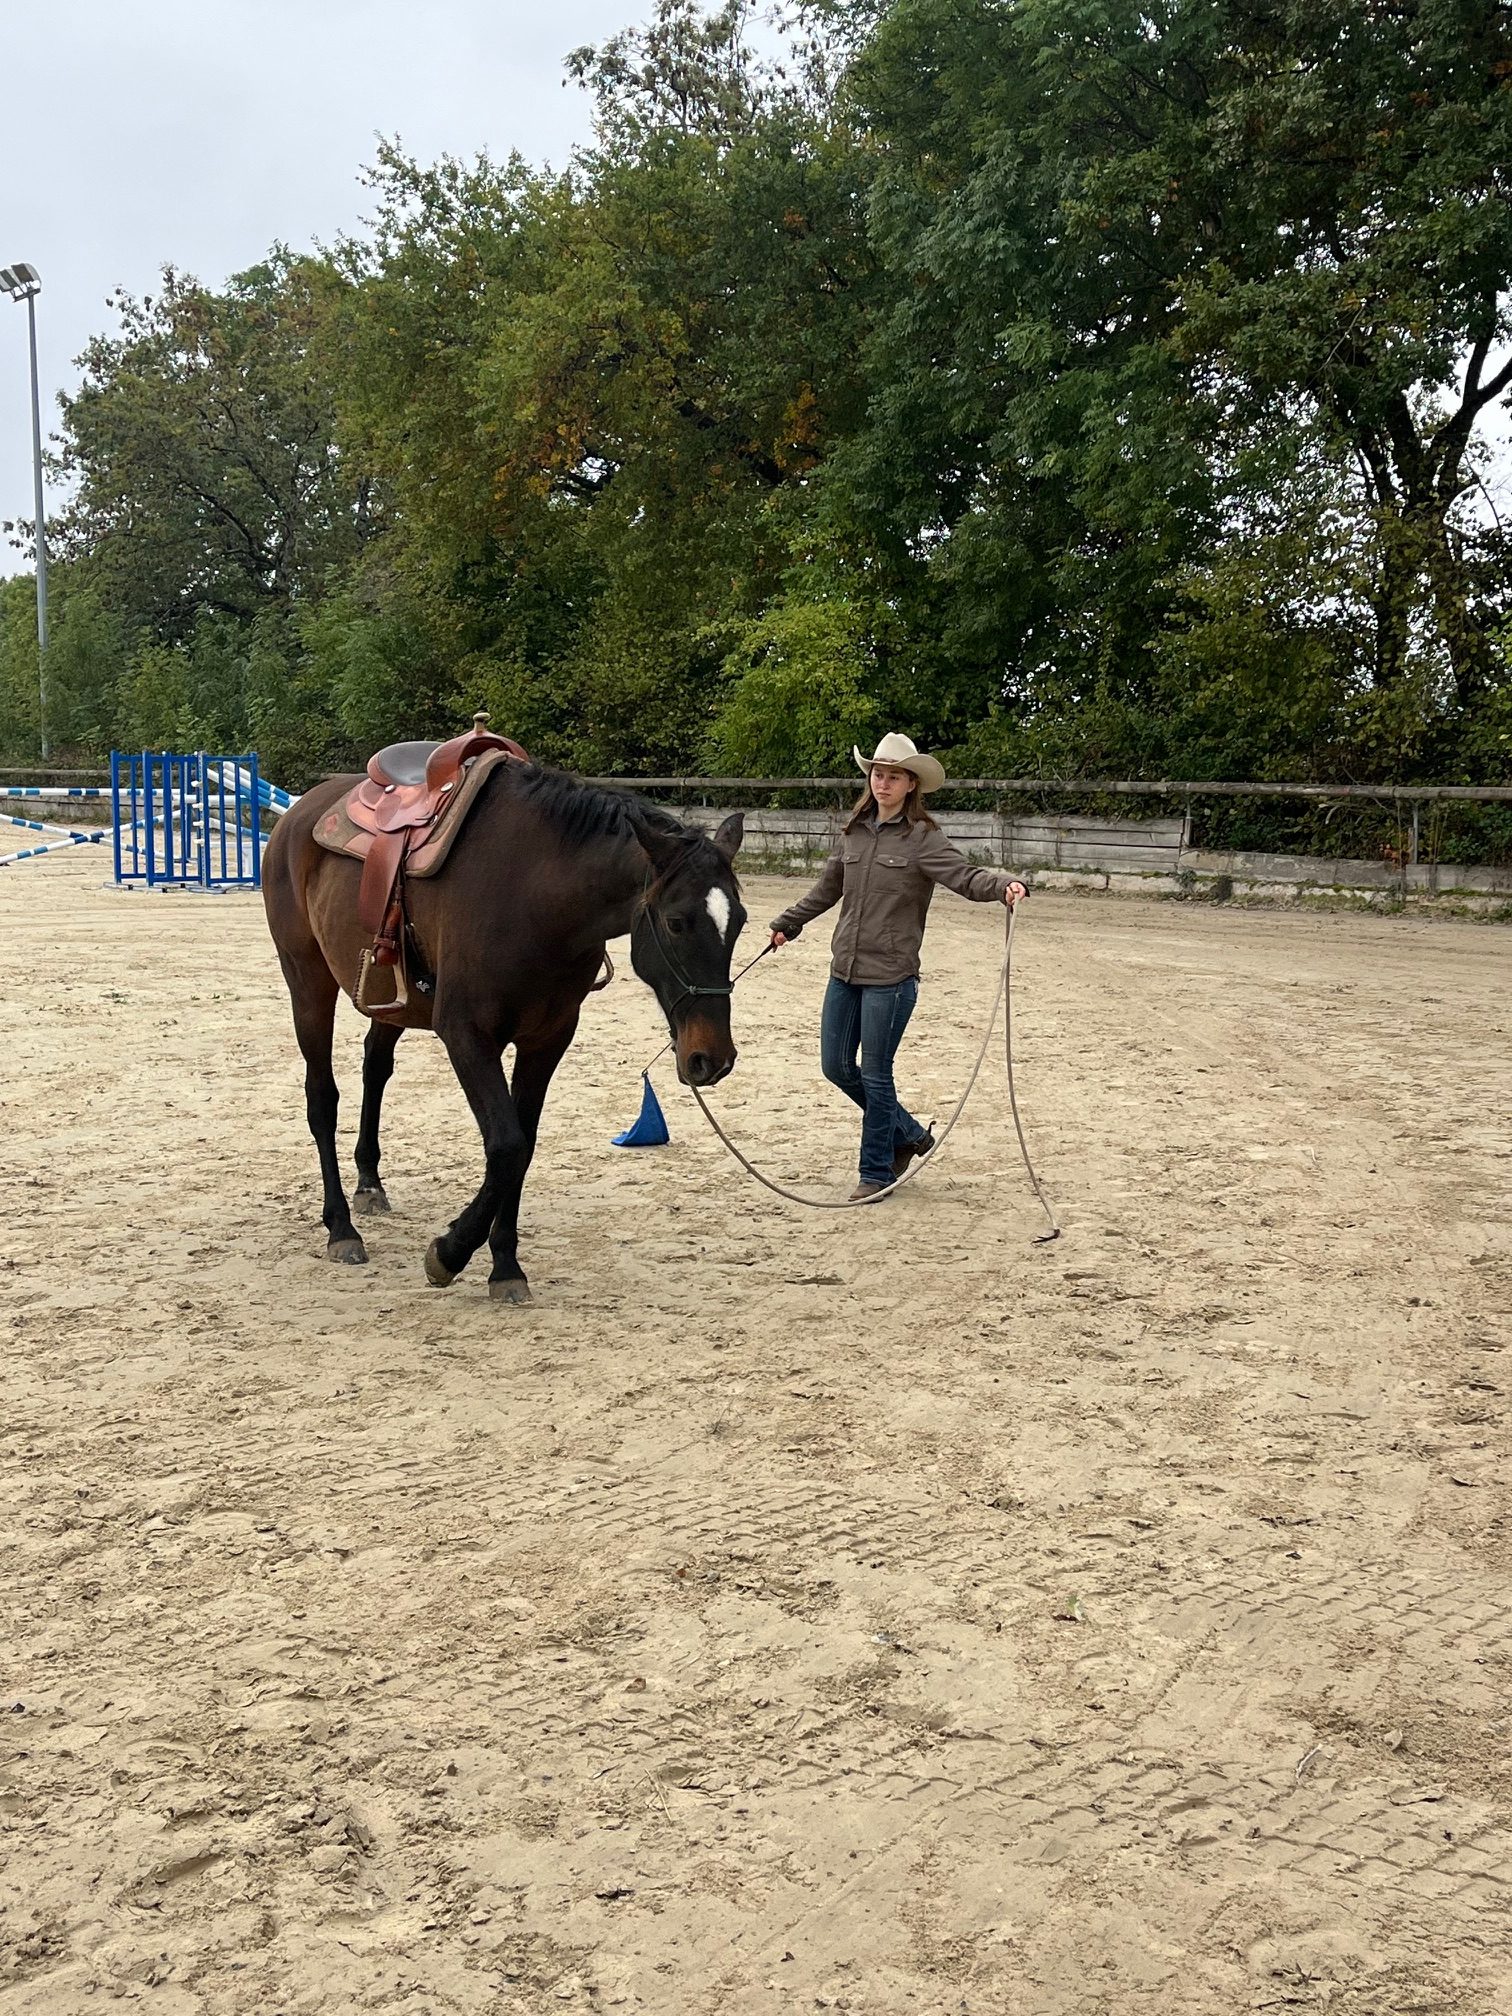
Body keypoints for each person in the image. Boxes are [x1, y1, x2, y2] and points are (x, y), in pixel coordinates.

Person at [768, 733, 1029, 1201]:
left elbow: (966, 876)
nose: (883, 782)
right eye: (878, 773)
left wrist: (1004, 886)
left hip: (891, 978)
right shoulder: (853, 831)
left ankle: (876, 1173)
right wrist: (789, 922)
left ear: (911, 785)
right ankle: (907, 1133)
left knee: (875, 1074)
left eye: (893, 776)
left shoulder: (923, 838)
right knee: (835, 1067)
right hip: (844, 971)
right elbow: (827, 890)